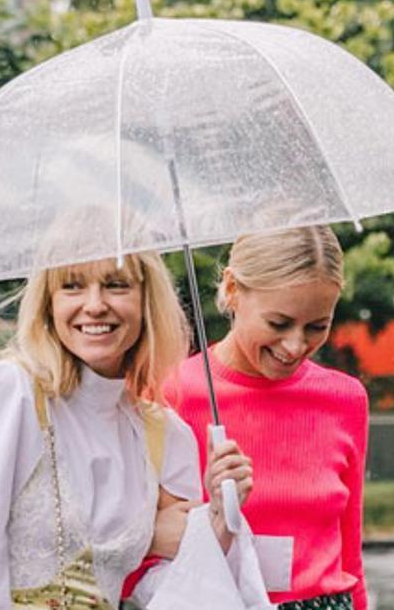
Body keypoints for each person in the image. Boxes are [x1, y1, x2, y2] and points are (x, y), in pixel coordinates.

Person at [0, 252, 263, 609]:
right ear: (49, 302)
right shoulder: (11, 393)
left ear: (146, 300)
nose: (94, 305)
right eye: (72, 286)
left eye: (116, 285)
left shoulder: (164, 433)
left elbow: (170, 595)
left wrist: (218, 520)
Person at [160, 226, 369, 610]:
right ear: (233, 289)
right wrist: (214, 513)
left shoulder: (345, 399)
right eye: (278, 323)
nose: (295, 346)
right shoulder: (169, 393)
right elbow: (142, 550)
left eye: (317, 326)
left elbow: (349, 556)